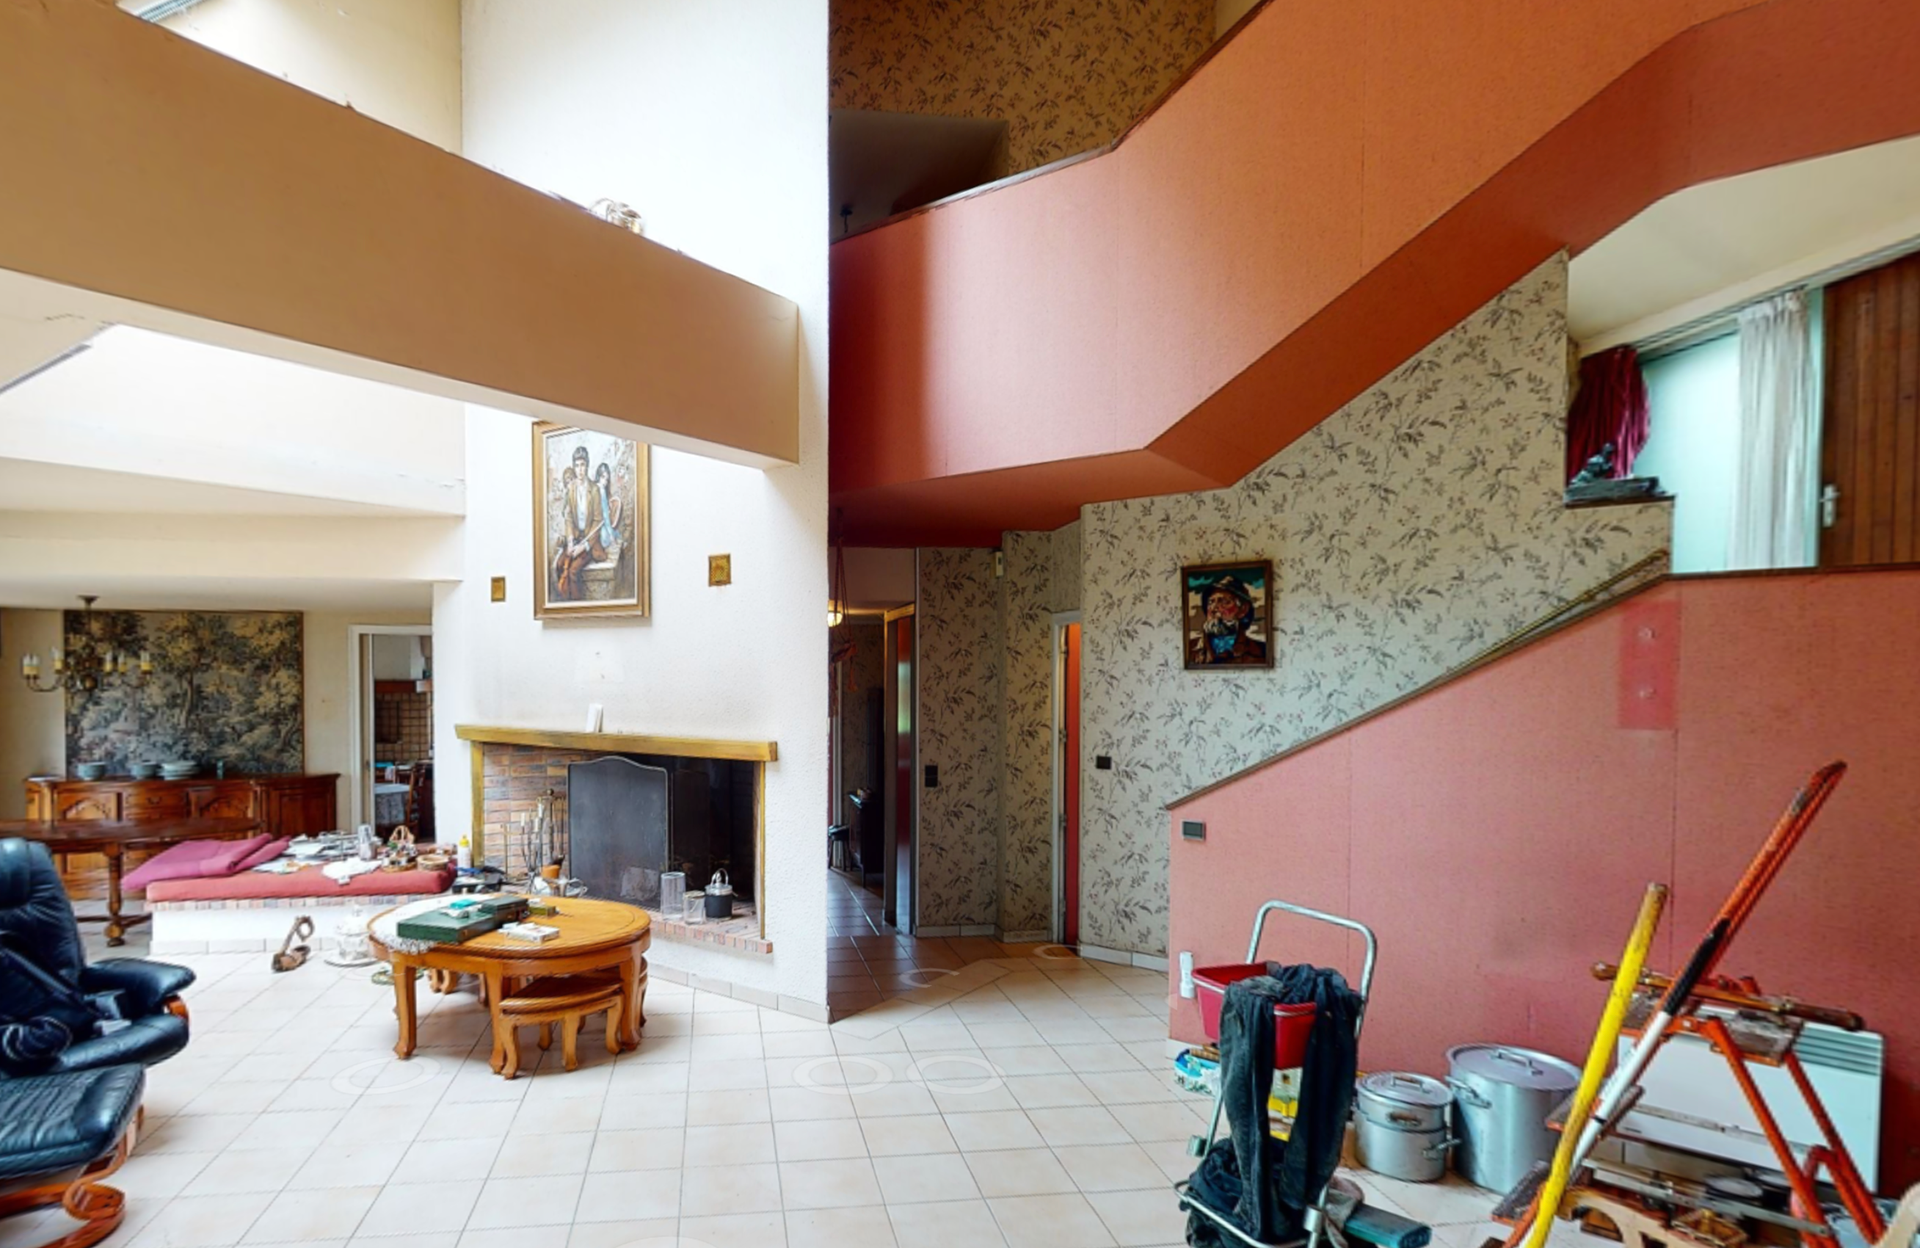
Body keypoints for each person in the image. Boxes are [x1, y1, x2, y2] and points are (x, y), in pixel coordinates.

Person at [553, 445, 612, 599]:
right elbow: (568, 517)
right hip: (575, 539)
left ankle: (576, 605)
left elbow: (597, 522)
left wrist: (583, 547)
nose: (580, 470)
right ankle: (563, 603)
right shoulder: (571, 489)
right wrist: (570, 541)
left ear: (587, 466)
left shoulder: (594, 490)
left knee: (573, 571)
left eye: (583, 465)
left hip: (589, 541)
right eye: (577, 465)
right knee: (559, 565)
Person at [1189, 573, 1268, 665]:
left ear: (1243, 609)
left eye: (1223, 601)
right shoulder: (1189, 648)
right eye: (1210, 602)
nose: (1214, 608)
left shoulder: (1261, 651)